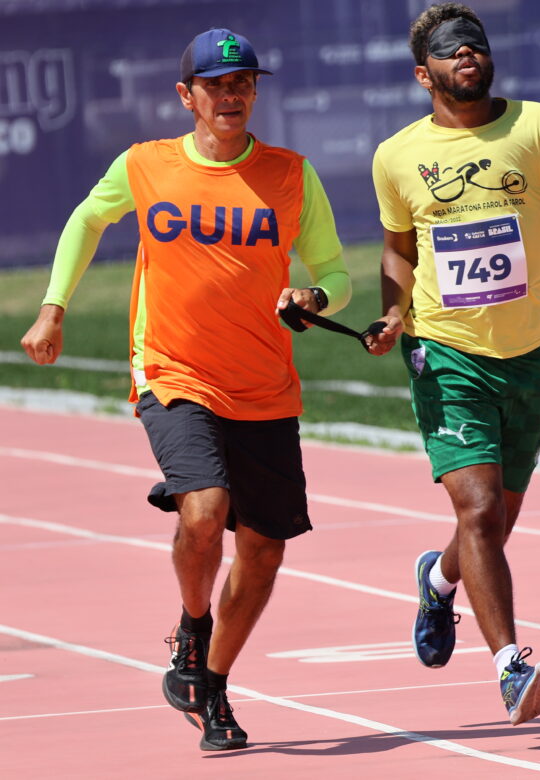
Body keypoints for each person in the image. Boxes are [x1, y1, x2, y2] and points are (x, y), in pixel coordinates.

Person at [19, 28, 352, 751]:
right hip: (173, 371)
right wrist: (53, 308)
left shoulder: (291, 174)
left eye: (242, 84)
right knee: (204, 509)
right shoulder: (146, 165)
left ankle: (215, 687)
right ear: (187, 96)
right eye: (215, 85)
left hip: (264, 384)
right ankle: (193, 627)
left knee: (263, 553)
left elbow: (335, 270)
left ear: (255, 92)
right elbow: (87, 218)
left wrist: (315, 296)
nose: (231, 95)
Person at [367, 3, 540, 726]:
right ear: (425, 75)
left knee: (495, 524)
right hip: (445, 351)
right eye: (452, 53)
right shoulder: (396, 156)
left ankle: (438, 577)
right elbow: (396, 247)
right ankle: (511, 668)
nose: (467, 57)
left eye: (475, 47)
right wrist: (394, 312)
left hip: (533, 349)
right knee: (477, 509)